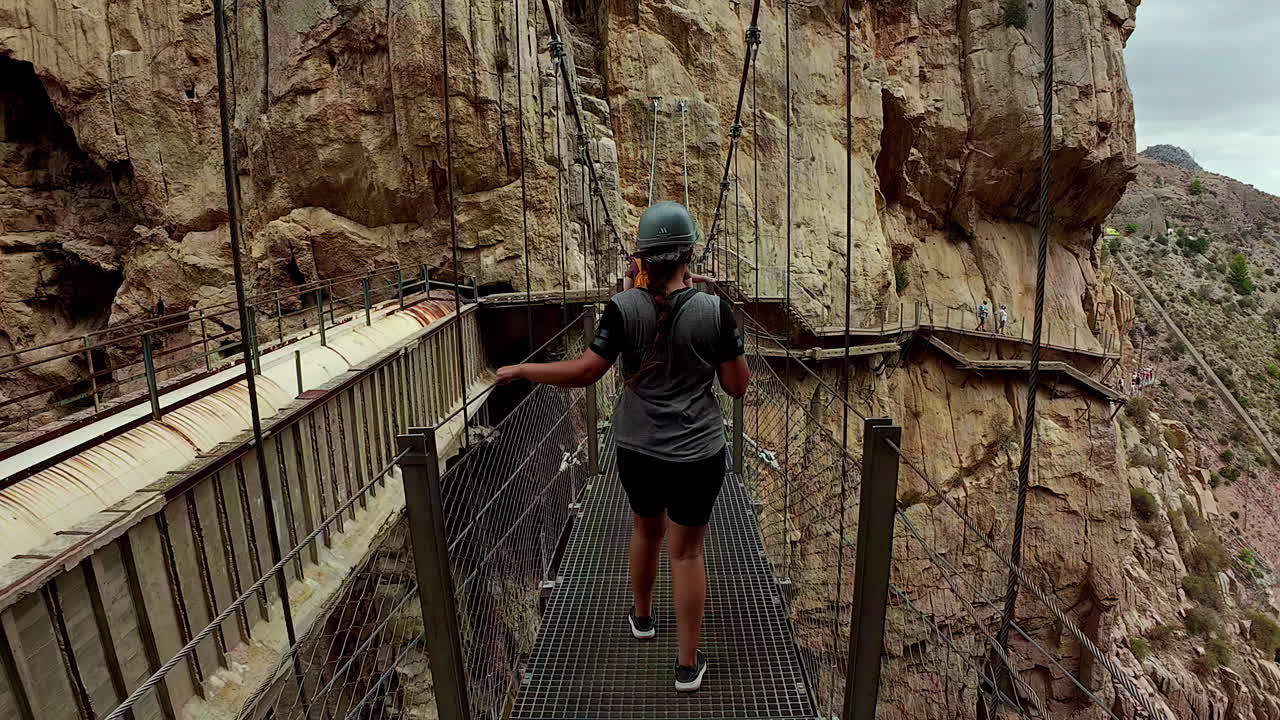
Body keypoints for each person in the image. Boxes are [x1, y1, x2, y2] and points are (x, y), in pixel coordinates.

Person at [497, 201, 750, 693]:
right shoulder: (714, 311)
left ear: (641, 259)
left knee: (645, 529)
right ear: (689, 253)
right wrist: (725, 334)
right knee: (687, 553)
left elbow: (587, 372)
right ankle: (685, 666)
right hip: (697, 452)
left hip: (637, 447)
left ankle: (641, 617)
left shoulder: (622, 307)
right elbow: (736, 387)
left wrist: (525, 369)